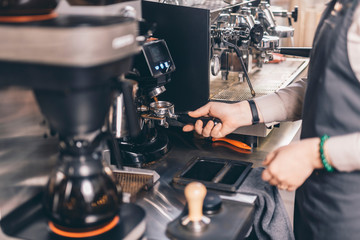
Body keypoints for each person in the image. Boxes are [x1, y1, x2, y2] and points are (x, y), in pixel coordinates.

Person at [183, 0, 360, 239]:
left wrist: (315, 154)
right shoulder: (343, 7)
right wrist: (244, 111)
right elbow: (324, 87)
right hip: (319, 197)